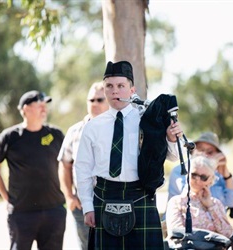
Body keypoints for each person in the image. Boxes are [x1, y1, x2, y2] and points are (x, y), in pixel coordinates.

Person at [74, 60, 183, 249]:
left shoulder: (149, 120)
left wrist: (172, 138)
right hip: (103, 196)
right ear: (105, 90)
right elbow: (82, 168)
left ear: (132, 90)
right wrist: (88, 207)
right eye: (110, 86)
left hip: (140, 195)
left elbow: (173, 157)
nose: (115, 91)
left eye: (121, 86)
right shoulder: (92, 127)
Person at [0, 90, 67, 250]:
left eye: (45, 105)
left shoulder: (55, 134)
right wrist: (6, 197)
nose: (44, 109)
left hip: (53, 211)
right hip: (22, 213)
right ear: (25, 109)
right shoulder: (10, 137)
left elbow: (69, 164)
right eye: (39, 105)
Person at [57, 82, 108, 249]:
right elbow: (64, 165)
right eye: (91, 100)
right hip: (82, 205)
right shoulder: (74, 131)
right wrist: (69, 197)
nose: (94, 104)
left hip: (111, 203)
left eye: (99, 99)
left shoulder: (116, 129)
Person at [167, 131, 233, 208]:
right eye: (200, 150)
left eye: (210, 152)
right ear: (193, 151)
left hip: (211, 218)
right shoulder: (180, 171)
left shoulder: (219, 174)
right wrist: (208, 171)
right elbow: (191, 196)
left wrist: (227, 176)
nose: (204, 154)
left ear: (217, 154)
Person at [166, 155, 233, 239]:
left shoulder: (216, 203)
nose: (197, 180)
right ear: (187, 175)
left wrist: (210, 206)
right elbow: (175, 233)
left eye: (203, 177)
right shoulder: (176, 202)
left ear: (211, 179)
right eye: (194, 175)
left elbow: (228, 233)